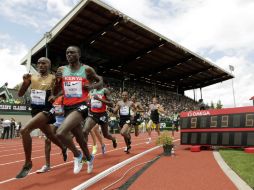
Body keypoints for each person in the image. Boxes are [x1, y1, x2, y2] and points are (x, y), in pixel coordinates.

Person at [15, 57, 67, 179]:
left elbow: (63, 90)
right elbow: (20, 94)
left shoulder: (54, 78)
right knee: (50, 135)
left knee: (24, 130)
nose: (40, 65)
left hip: (47, 109)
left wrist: (54, 95)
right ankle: (63, 147)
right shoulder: (31, 77)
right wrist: (24, 82)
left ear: (49, 65)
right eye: (38, 63)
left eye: (43, 63)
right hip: (35, 110)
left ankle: (28, 163)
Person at [55, 46, 103, 174]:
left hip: (81, 106)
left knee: (60, 133)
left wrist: (92, 86)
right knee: (80, 139)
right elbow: (56, 90)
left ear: (79, 54)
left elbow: (100, 81)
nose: (69, 54)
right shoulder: (62, 69)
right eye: (67, 52)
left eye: (72, 52)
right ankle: (89, 157)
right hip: (67, 107)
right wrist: (56, 80)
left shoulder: (86, 69)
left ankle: (77, 155)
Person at [83, 81, 117, 155]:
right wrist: (88, 103)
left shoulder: (105, 91)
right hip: (93, 114)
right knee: (85, 131)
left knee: (106, 135)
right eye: (93, 83)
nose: (94, 84)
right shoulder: (91, 91)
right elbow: (88, 101)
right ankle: (86, 154)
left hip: (102, 115)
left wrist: (99, 99)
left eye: (96, 83)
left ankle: (114, 139)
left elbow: (111, 104)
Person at [36, 96, 66, 173]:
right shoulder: (51, 97)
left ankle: (82, 156)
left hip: (66, 122)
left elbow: (66, 111)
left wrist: (56, 113)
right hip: (56, 122)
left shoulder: (64, 96)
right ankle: (47, 165)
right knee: (47, 139)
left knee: (70, 139)